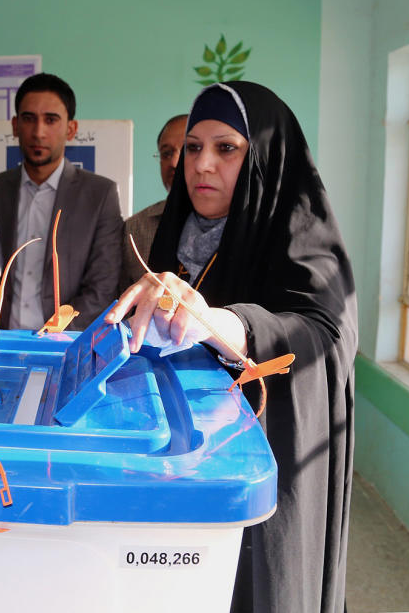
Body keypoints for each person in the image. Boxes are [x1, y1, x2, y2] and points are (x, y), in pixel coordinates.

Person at [105, 81, 357, 613]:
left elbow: (324, 335)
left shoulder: (302, 238)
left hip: (269, 462)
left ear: (264, 158)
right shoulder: (174, 235)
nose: (200, 165)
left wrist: (221, 323)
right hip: (186, 455)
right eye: (193, 147)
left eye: (226, 148)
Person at [0, 72, 124, 331]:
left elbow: (102, 287)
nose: (39, 132)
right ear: (15, 126)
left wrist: (53, 336)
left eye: (51, 120)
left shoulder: (100, 195)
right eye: (29, 119)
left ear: (71, 129)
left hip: (64, 346)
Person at [120, 113, 186, 288]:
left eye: (189, 149)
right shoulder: (135, 228)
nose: (174, 162)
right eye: (166, 153)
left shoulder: (239, 224)